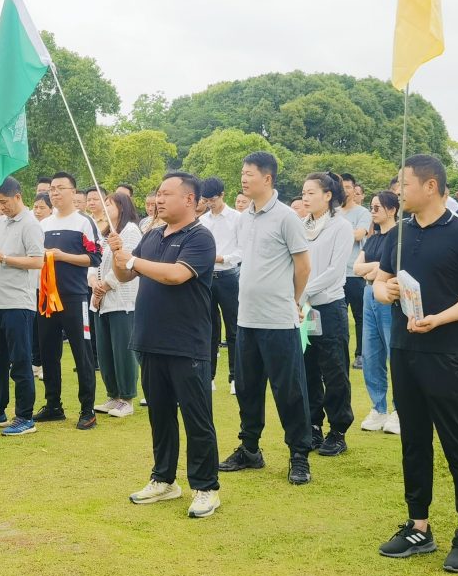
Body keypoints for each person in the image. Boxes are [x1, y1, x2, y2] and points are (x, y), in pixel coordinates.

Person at [372, 155, 458, 573]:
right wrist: (381, 290)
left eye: (404, 184)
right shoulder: (399, 233)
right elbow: (380, 280)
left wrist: (440, 318)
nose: (397, 191)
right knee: (414, 441)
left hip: (444, 351)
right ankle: (418, 526)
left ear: (430, 186)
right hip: (403, 350)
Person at [112, 172, 221, 518]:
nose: (158, 200)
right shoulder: (153, 234)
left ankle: (206, 488)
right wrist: (119, 254)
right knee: (160, 415)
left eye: (166, 194)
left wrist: (131, 260)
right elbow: (125, 276)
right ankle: (164, 479)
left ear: (189, 199)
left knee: (196, 417)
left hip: (187, 342)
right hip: (150, 339)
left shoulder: (200, 238)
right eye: (157, 194)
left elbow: (176, 275)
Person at [220, 152, 314, 485]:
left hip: (278, 320)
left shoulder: (287, 218)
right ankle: (249, 449)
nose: (244, 179)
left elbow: (303, 266)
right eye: (242, 173)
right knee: (247, 388)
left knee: (289, 391)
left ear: (267, 179)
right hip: (247, 318)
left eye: (249, 174)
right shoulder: (244, 218)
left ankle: (299, 455)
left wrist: (292, 300)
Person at [0, 177, 46, 436]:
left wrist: (3, 258)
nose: (0, 207)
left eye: (3, 202)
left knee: (20, 360)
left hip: (19, 303)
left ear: (17, 196)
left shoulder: (31, 224)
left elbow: (38, 262)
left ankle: (25, 416)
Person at [36, 172, 103, 429]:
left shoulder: (83, 222)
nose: (54, 192)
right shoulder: (42, 225)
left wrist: (63, 256)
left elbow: (94, 258)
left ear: (73, 193)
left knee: (82, 352)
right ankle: (53, 405)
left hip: (75, 297)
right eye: (52, 188)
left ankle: (88, 410)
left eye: (60, 188)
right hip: (46, 298)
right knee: (48, 352)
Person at [299, 171, 356, 456]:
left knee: (334, 369)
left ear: (328, 195)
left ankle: (338, 429)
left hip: (329, 306)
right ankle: (313, 426)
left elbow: (335, 272)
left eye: (311, 192)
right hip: (304, 308)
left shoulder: (340, 226)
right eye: (304, 192)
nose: (305, 197)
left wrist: (304, 290)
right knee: (307, 366)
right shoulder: (300, 225)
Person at [91, 190, 142, 418]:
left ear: (121, 207)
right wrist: (94, 283)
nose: (105, 208)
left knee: (123, 350)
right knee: (105, 351)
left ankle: (127, 397)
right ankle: (112, 395)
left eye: (108, 204)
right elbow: (94, 263)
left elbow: (127, 262)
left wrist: (105, 286)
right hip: (101, 302)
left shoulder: (130, 230)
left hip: (122, 300)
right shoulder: (104, 234)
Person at [354, 191, 401, 435]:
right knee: (371, 354)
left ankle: (399, 409)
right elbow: (357, 267)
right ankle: (378, 407)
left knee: (394, 353)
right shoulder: (372, 239)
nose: (372, 211)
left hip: (388, 297)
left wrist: (373, 270)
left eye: (377, 207)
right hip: (368, 295)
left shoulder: (398, 236)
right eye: (371, 207)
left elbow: (390, 270)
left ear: (392, 210)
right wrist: (376, 267)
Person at [197, 177, 242, 393]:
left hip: (228, 277)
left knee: (233, 328)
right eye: (205, 200)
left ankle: (234, 377)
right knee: (209, 328)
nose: (209, 204)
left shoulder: (236, 218)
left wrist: (222, 258)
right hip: (207, 277)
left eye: (212, 199)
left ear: (222, 195)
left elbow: (242, 250)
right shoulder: (203, 220)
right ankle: (209, 376)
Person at [338, 175, 371, 372]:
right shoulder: (333, 212)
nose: (345, 190)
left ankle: (360, 354)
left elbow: (359, 234)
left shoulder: (362, 212)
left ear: (354, 189)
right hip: (335, 275)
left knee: (359, 317)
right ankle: (340, 353)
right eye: (342, 187)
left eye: (348, 187)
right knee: (338, 319)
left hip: (355, 273)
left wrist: (334, 235)